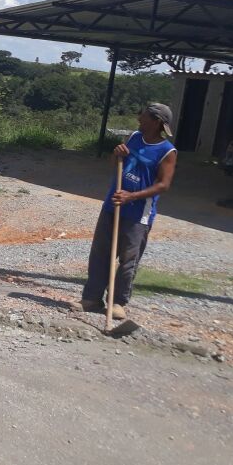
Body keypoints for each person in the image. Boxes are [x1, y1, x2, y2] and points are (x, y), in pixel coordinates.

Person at [76, 103, 177, 319]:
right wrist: (117, 154)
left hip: (138, 214)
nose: (139, 118)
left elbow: (163, 185)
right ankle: (91, 298)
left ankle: (117, 303)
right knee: (101, 253)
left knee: (128, 259)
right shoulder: (133, 137)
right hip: (112, 205)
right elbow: (115, 164)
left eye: (144, 116)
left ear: (156, 121)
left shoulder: (167, 151)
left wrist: (132, 196)